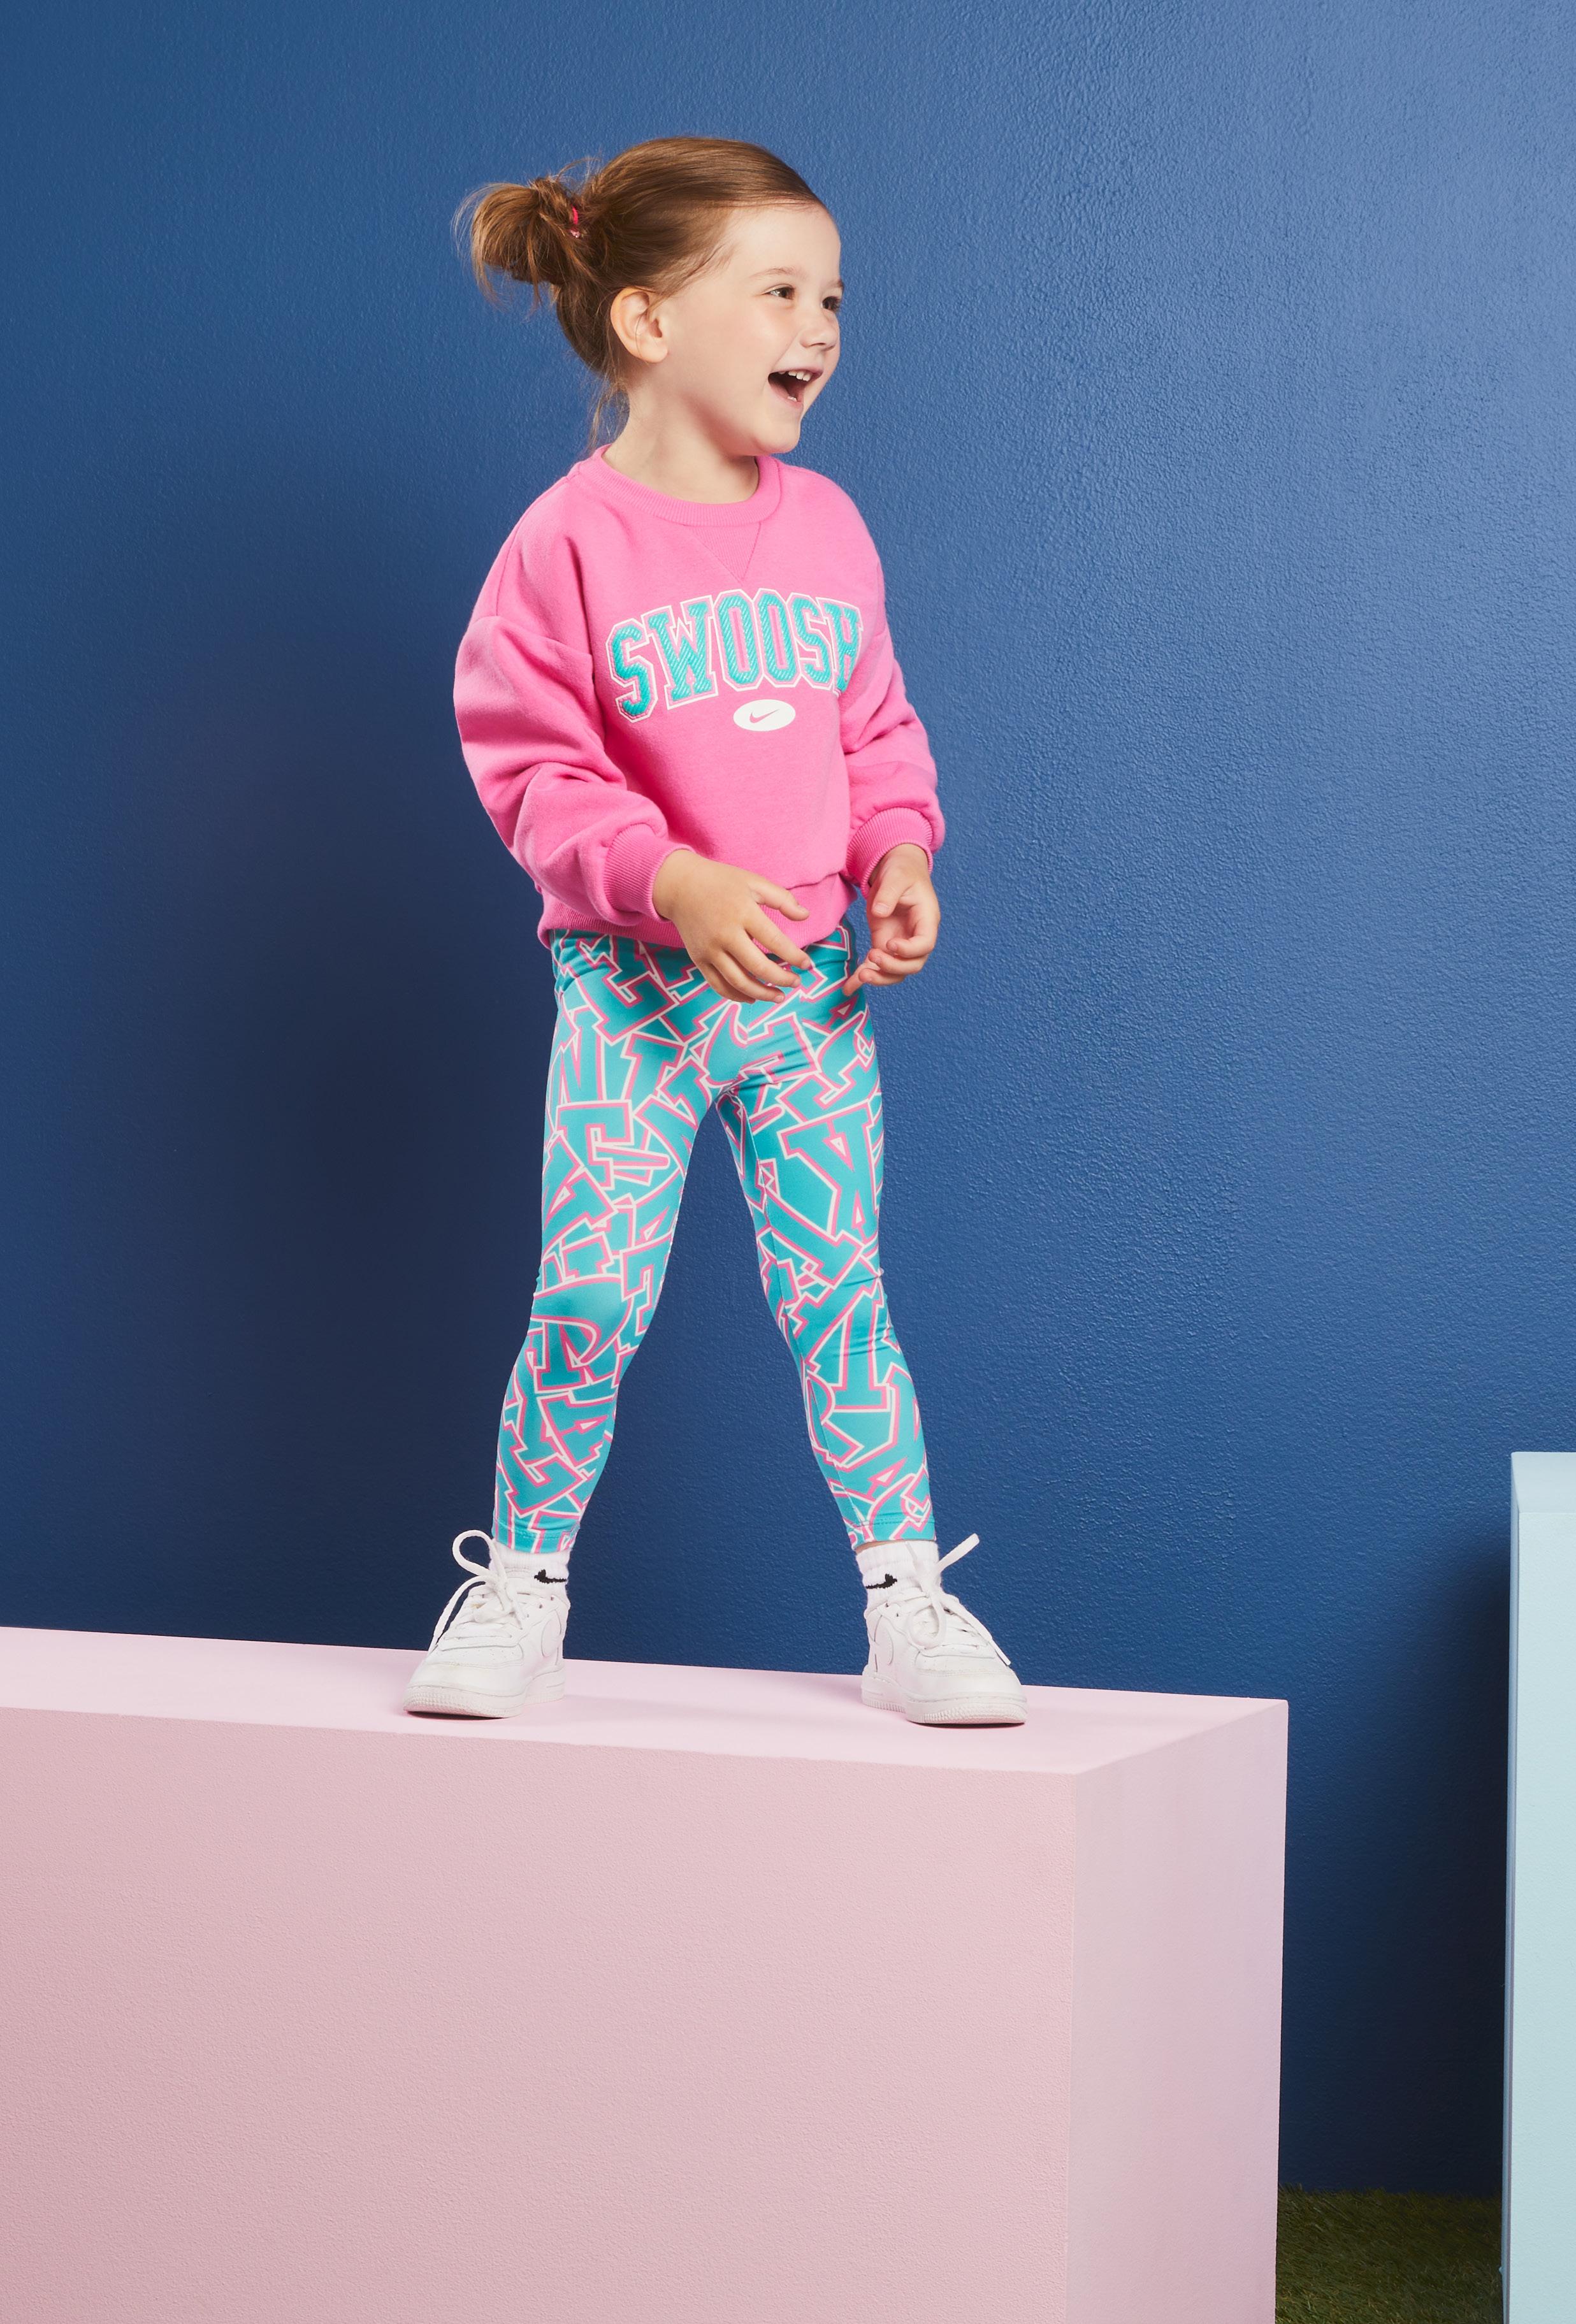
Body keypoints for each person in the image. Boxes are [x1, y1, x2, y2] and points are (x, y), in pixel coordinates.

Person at [403, 136, 1024, 1728]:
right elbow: (530, 767)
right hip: (633, 997)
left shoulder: (828, 530)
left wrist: (899, 853)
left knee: (840, 1300)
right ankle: (521, 1586)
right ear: (647, 320)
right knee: (589, 1301)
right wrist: (668, 880)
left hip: (808, 997)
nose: (818, 327)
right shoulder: (563, 546)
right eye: (779, 293)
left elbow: (872, 730)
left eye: (832, 300)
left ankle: (906, 1602)